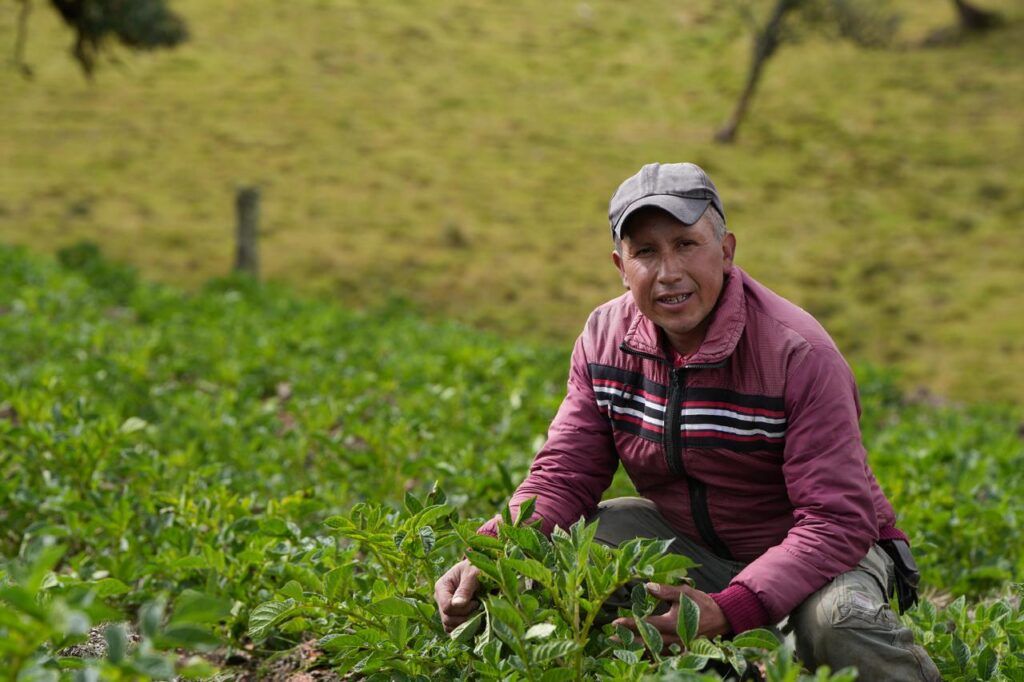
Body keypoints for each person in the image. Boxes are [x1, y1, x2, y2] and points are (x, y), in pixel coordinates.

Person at [434, 162, 939, 679]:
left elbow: (837, 521)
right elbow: (565, 473)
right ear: (620, 266)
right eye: (646, 252)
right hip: (692, 547)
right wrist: (493, 553)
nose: (669, 272)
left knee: (836, 623)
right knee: (557, 559)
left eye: (686, 245)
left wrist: (730, 608)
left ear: (727, 251)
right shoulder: (604, 338)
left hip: (825, 557)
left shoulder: (798, 353)